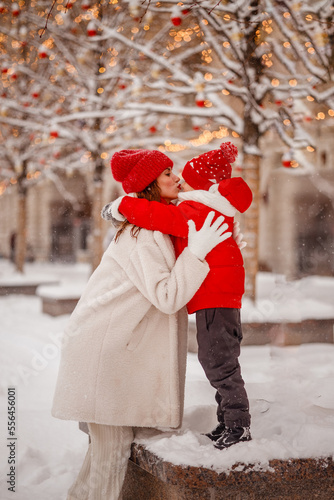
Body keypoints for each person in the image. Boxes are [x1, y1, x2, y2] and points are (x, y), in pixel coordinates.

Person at [52, 148, 232, 500]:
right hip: (107, 355)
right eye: (166, 173)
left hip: (115, 353)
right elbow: (167, 296)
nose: (176, 176)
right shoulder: (141, 236)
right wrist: (196, 254)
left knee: (103, 458)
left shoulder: (152, 227)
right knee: (110, 457)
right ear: (149, 185)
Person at [105, 142, 253, 450]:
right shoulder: (211, 209)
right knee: (220, 359)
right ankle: (227, 419)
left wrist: (121, 206)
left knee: (219, 362)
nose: (179, 181)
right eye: (171, 174)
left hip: (215, 298)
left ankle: (238, 425)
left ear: (200, 188)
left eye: (183, 177)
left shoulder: (195, 210)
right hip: (223, 298)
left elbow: (155, 215)